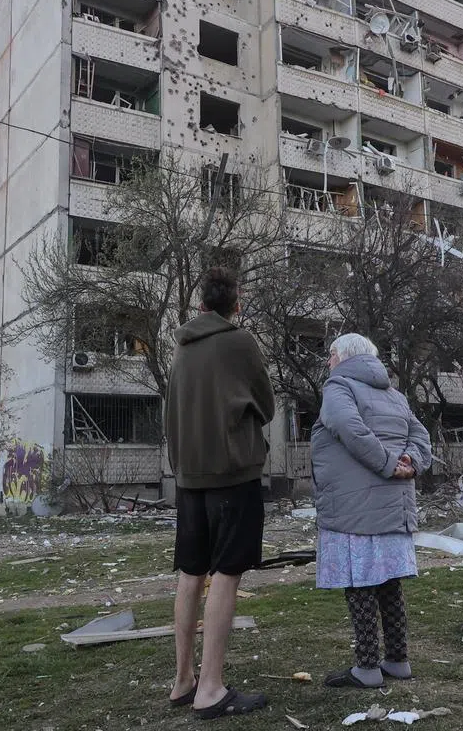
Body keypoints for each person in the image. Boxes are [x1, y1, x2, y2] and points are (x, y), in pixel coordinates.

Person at [164, 267, 275, 720]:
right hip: (232, 476)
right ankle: (211, 687)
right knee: (227, 574)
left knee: (191, 574)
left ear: (200, 306)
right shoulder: (240, 342)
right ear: (236, 304)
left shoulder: (179, 350)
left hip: (189, 479)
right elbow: (265, 406)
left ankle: (183, 680)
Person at [311, 333, 432, 689]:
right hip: (394, 505)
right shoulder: (394, 395)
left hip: (354, 507)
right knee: (389, 583)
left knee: (359, 584)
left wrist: (388, 463)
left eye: (330, 354)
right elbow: (420, 434)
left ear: (342, 356)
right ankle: (397, 660)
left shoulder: (338, 388)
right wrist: (410, 460)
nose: (329, 361)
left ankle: (366, 668)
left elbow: (349, 428)